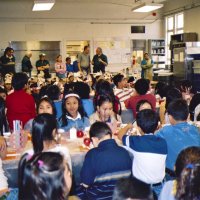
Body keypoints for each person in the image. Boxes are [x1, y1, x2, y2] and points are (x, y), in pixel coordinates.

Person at [118, 109, 167, 197]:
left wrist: (128, 126)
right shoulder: (163, 142)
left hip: (140, 188)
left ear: (139, 127)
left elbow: (120, 135)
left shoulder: (136, 141)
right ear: (157, 126)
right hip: (159, 186)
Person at [77, 122, 132, 200]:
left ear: (94, 139)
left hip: (100, 196)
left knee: (77, 190)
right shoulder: (124, 151)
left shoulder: (93, 154)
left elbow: (86, 184)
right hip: (122, 196)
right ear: (110, 136)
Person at [156, 99, 200, 174]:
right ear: (188, 115)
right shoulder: (195, 129)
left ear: (169, 117)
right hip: (195, 172)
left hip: (174, 173)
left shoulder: (164, 131)